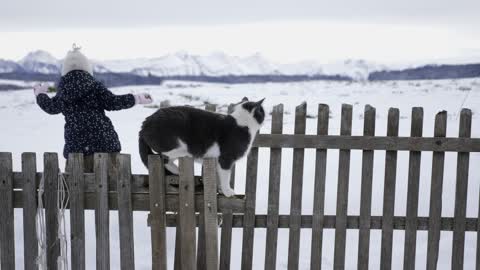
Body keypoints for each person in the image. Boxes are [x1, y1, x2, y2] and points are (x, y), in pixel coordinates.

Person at [34, 44, 153, 172]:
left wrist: (40, 94)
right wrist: (136, 98)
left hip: (77, 148)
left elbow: (51, 107)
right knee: (112, 187)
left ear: (65, 71)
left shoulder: (63, 91)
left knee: (78, 187)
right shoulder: (95, 86)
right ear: (87, 68)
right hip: (105, 144)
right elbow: (113, 102)